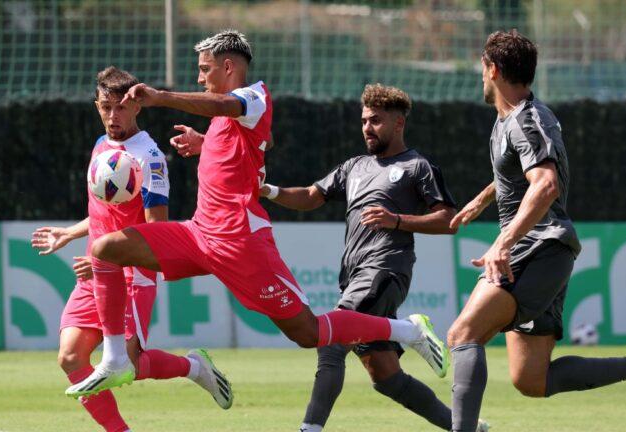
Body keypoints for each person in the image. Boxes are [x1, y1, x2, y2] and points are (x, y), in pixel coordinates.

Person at [65, 31, 447, 399]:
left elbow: (232, 110)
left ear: (228, 66)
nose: (199, 77)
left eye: (205, 68)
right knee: (106, 249)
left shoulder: (254, 94)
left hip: (241, 243)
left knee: (309, 332)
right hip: (200, 235)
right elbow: (254, 138)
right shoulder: (225, 117)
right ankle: (117, 359)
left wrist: (161, 97)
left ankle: (408, 331)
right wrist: (207, 144)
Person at [446, 30, 626, 432]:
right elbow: (523, 171)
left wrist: (502, 244)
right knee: (531, 379)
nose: (481, 75)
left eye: (482, 68)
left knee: (463, 333)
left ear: (492, 69)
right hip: (546, 249)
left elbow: (545, 184)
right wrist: (483, 199)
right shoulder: (513, 118)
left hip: (536, 245)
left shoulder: (525, 119)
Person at [262, 84, 475, 432]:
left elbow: (448, 220)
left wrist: (397, 220)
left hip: (385, 269)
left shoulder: (417, 166)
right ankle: (463, 427)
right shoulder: (355, 166)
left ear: (399, 123)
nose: (367, 127)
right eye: (364, 120)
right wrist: (269, 190)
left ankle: (309, 428)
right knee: (387, 377)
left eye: (376, 120)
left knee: (330, 343)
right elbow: (311, 196)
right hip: (356, 275)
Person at [32, 66, 232, 432]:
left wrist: (104, 262)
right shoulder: (100, 146)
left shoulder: (150, 158)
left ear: (136, 107)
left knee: (129, 366)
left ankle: (194, 366)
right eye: (106, 107)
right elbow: (104, 215)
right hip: (97, 270)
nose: (113, 116)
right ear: (97, 105)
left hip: (131, 274)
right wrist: (71, 234)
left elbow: (156, 231)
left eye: (121, 107)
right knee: (71, 357)